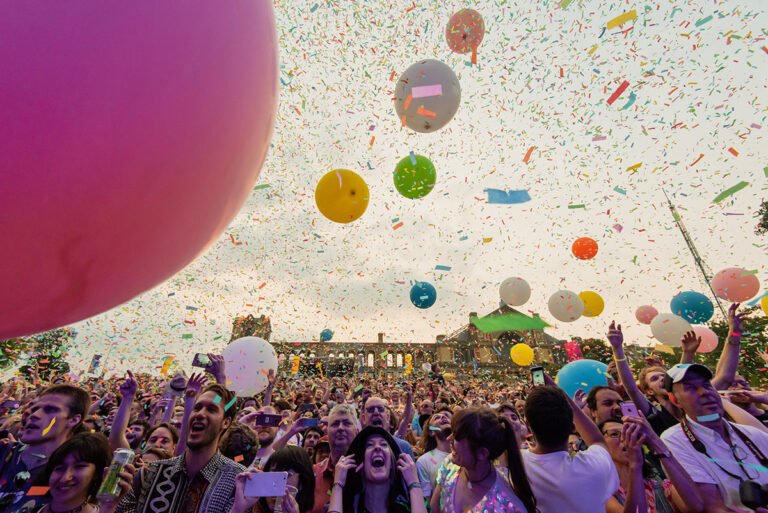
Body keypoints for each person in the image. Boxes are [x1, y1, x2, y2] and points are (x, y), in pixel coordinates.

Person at [114, 383, 245, 513]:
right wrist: (109, 505)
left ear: (226, 422)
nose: (200, 414)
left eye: (211, 409)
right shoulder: (149, 474)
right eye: (197, 407)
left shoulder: (237, 483)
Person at [661, 363, 768, 512]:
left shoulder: (752, 434)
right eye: (691, 388)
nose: (704, 392)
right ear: (675, 400)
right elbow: (713, 508)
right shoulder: (674, 440)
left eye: (707, 385)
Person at [522, 383, 619, 513]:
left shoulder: (515, 464)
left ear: (528, 426)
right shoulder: (594, 466)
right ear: (573, 427)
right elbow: (597, 440)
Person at [0, 385, 90, 513]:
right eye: (35, 408)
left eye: (50, 410)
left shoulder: (69, 476)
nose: (35, 415)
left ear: (73, 420)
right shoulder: (4, 452)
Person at [430, 407, 535, 513]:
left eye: (457, 436)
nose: (449, 439)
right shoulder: (449, 464)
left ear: (482, 453)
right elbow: (434, 508)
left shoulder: (508, 506)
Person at [600, 417, 702, 513]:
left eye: (630, 432)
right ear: (598, 445)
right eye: (614, 434)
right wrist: (635, 466)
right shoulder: (602, 492)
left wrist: (654, 441)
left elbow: (695, 506)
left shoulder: (658, 485)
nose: (625, 438)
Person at [330, 426, 426, 513]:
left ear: (392, 463)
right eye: (369, 445)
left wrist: (413, 482)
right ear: (361, 464)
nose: (377, 447)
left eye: (384, 444)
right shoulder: (347, 508)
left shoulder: (410, 505)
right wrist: (338, 484)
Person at [33, 433, 112, 513]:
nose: (65, 478)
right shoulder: (29, 507)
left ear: (97, 473)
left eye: (79, 467)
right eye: (60, 468)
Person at [230, 446, 316, 513]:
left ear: (302, 483)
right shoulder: (248, 508)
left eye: (284, 476)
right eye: (273, 474)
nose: (276, 484)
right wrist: (238, 508)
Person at [309, 405, 359, 513]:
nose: (341, 428)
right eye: (335, 424)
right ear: (327, 432)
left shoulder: (370, 472)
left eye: (347, 423)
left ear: (357, 431)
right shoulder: (312, 472)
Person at [415, 412, 451, 499]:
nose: (443, 417)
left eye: (446, 416)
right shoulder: (424, 461)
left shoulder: (466, 453)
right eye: (436, 418)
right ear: (431, 432)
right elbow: (427, 499)